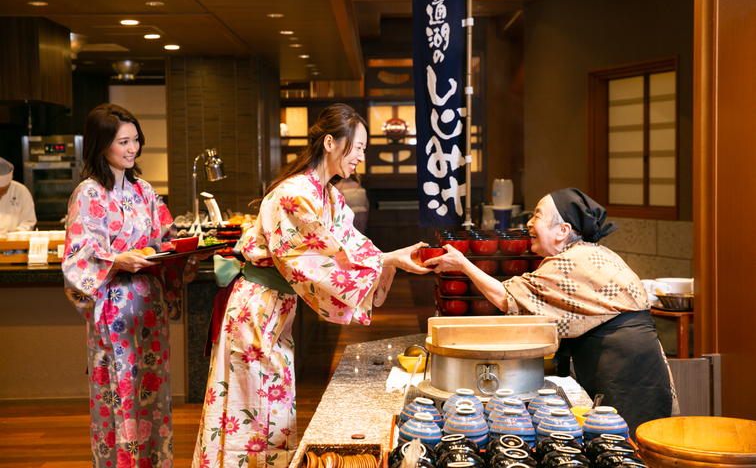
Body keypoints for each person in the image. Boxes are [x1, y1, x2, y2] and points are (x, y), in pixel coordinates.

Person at [192, 104, 430, 468]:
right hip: (255, 310)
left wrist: (393, 257)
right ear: (331, 143)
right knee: (250, 411)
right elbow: (321, 259)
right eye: (360, 147)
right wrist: (389, 260)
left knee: (272, 409)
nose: (362, 157)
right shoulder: (294, 193)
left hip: (275, 309)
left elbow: (349, 243)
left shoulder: (328, 195)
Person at [425, 188, 677, 439]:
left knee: (626, 443)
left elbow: (506, 298)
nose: (529, 223)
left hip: (626, 369)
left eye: (537, 216)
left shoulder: (571, 262)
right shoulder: (591, 253)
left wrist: (463, 264)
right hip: (637, 359)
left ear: (562, 231)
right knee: (632, 441)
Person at [63, 104, 211, 468]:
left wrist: (190, 252)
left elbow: (164, 239)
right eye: (123, 142)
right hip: (114, 309)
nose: (133, 149)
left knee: (153, 394)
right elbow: (77, 257)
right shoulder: (89, 193)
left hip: (149, 308)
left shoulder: (144, 190)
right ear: (101, 146)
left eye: (135, 140)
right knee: (119, 393)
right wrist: (117, 259)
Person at [0, 157, 36, 234]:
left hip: (14, 243)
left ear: (11, 179)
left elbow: (28, 222)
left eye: (3, 191)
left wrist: (14, 236)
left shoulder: (21, 191)